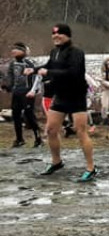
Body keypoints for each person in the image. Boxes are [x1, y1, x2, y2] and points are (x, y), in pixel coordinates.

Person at [26, 24, 97, 181]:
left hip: (77, 96)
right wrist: (35, 69)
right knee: (51, 130)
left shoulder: (76, 52)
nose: (56, 36)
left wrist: (49, 72)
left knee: (80, 131)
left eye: (59, 34)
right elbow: (49, 66)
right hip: (61, 95)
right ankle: (56, 162)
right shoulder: (55, 52)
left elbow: (73, 72)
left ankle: (91, 168)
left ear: (68, 36)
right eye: (53, 34)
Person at [2, 42, 42, 148]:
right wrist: (7, 87)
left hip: (27, 92)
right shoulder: (12, 64)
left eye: (16, 49)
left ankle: (38, 139)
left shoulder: (29, 63)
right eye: (13, 49)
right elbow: (10, 78)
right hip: (16, 93)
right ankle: (19, 139)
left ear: (23, 52)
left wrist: (34, 90)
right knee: (16, 115)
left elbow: (37, 77)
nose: (13, 51)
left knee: (29, 115)